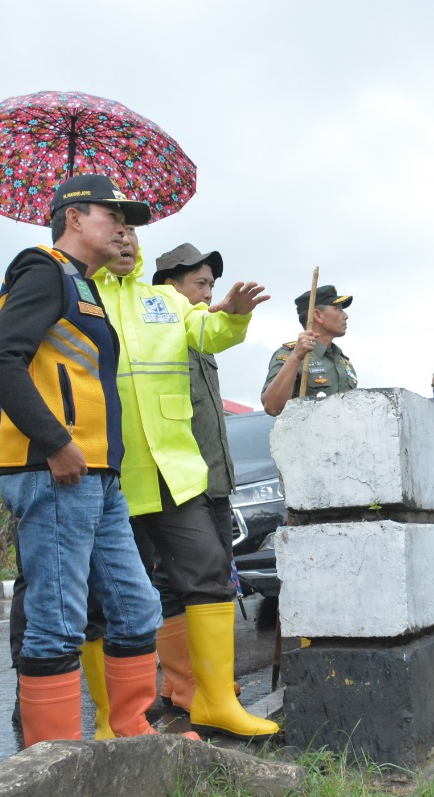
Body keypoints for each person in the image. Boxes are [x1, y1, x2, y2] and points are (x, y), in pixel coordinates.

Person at [0, 174, 162, 747]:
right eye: (113, 214)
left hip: (98, 475)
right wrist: (56, 442)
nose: (123, 226)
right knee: (58, 624)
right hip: (55, 470)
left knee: (137, 608)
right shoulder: (42, 270)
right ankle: (50, 764)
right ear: (75, 217)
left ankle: (129, 735)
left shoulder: (87, 285)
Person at [95, 239, 276, 738]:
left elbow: (208, 330)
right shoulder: (81, 292)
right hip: (110, 467)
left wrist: (233, 317)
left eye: (132, 231)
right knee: (108, 595)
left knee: (210, 572)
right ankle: (114, 718)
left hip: (174, 468)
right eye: (114, 227)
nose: (126, 240)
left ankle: (213, 700)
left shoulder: (165, 302)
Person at [261, 285, 357, 416]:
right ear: (317, 315)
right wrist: (296, 357)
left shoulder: (343, 363)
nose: (345, 316)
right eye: (337, 309)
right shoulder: (290, 355)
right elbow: (273, 407)